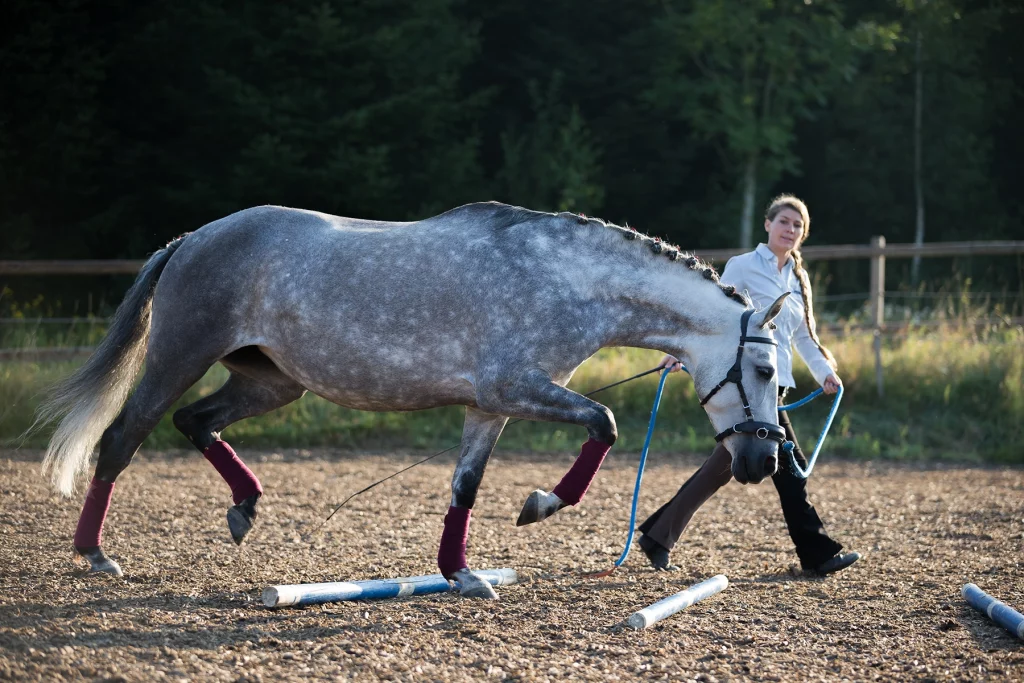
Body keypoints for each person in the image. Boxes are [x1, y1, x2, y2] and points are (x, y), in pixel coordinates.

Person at [636, 194, 860, 576]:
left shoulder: (799, 278)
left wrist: (824, 371)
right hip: (749, 389)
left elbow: (804, 336)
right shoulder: (742, 266)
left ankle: (657, 537)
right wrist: (681, 352)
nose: (790, 230)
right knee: (790, 469)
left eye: (797, 226)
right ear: (768, 224)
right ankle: (817, 554)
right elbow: (713, 314)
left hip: (778, 387)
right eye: (784, 222)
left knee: (721, 469)